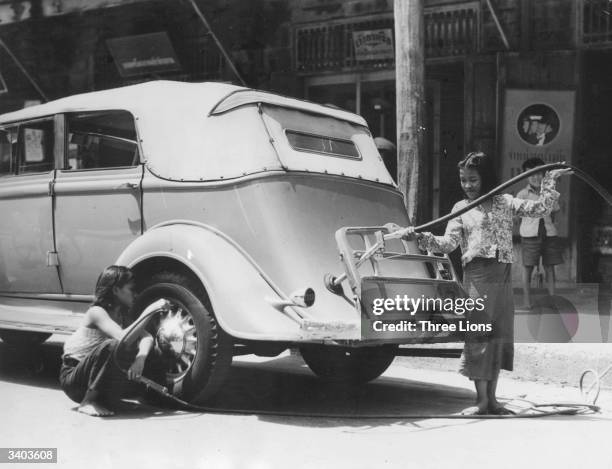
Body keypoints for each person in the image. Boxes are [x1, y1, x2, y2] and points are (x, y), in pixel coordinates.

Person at [395, 152, 571, 415]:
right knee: (480, 336)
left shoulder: (504, 201)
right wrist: (419, 236)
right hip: (477, 277)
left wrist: (549, 181)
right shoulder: (461, 209)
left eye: (473, 180)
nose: (468, 185)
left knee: (498, 336)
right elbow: (448, 244)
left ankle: (493, 400)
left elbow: (540, 209)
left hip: (502, 275)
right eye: (464, 180)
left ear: (485, 178)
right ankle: (480, 401)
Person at [59, 266, 164, 417]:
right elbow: (122, 337)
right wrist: (150, 310)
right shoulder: (97, 312)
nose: (135, 294)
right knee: (113, 346)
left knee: (150, 350)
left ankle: (114, 399)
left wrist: (140, 359)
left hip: (95, 377)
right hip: (75, 380)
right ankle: (87, 401)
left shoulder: (121, 316)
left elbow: (147, 337)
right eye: (131, 289)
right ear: (115, 290)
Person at [517, 157, 563, 309]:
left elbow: (555, 211)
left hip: (549, 235)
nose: (536, 177)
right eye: (531, 174)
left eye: (539, 174)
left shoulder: (549, 193)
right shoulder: (522, 195)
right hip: (530, 236)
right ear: (525, 176)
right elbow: (518, 214)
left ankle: (552, 299)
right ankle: (526, 300)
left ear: (544, 175)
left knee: (550, 267)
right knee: (528, 267)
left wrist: (550, 225)